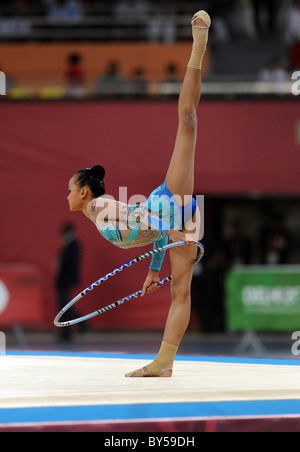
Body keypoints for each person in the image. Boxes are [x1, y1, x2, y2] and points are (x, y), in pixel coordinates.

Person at [67, 10, 210, 377]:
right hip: (179, 220)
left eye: (69, 189)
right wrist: (154, 267)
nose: (65, 195)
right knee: (180, 294)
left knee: (188, 122)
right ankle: (163, 363)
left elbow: (144, 218)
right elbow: (152, 231)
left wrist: (173, 233)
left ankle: (197, 46)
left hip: (170, 203)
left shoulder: (99, 208)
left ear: (84, 193)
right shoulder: (94, 214)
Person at [55, 222, 83, 343]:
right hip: (63, 279)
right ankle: (66, 332)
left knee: (64, 306)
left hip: (67, 279)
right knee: (62, 305)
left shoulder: (74, 244)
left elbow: (72, 263)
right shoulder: (66, 244)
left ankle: (82, 322)